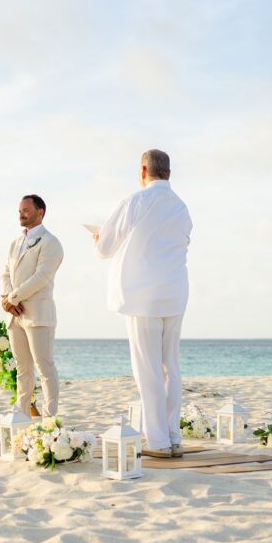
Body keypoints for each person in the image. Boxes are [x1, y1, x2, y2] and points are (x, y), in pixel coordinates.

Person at [95, 149, 192, 458]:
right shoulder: (181, 207)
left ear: (142, 171)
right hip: (174, 292)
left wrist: (97, 238)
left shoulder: (135, 202)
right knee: (170, 366)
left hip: (142, 295)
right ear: (168, 174)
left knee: (146, 368)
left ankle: (159, 441)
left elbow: (106, 247)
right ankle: (173, 435)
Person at [0, 194, 64, 417]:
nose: (21, 213)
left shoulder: (51, 243)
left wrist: (13, 298)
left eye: (26, 210)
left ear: (41, 212)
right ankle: (22, 415)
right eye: (19, 210)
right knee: (22, 369)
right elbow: (6, 273)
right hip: (15, 315)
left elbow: (42, 277)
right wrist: (7, 299)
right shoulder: (15, 243)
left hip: (38, 314)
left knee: (44, 367)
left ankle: (49, 418)